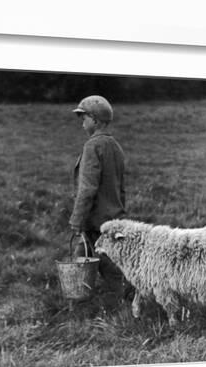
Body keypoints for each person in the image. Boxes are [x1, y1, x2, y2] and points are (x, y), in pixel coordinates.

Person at [69, 95, 127, 298]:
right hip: (113, 218)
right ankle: (79, 302)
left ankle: (125, 308)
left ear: (94, 119)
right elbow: (121, 189)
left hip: (96, 221)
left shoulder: (92, 147)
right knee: (82, 258)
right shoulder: (115, 147)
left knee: (109, 267)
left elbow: (87, 189)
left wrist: (77, 219)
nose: (82, 123)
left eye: (83, 118)